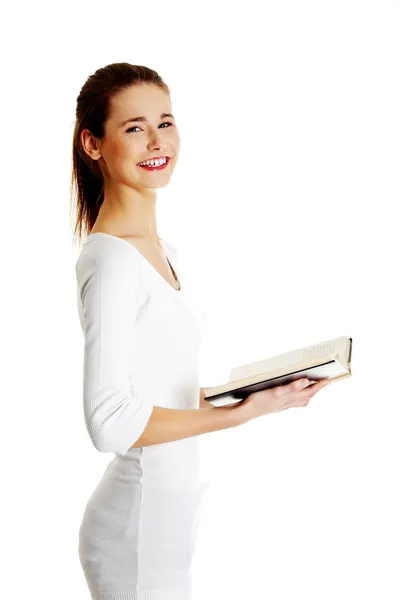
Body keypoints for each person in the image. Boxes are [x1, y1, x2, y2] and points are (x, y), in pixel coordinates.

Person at [71, 62, 330, 600]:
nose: (156, 140)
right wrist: (240, 415)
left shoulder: (166, 255)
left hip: (169, 511)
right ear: (93, 144)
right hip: (133, 524)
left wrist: (265, 394)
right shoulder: (112, 261)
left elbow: (159, 392)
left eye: (165, 122)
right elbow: (110, 423)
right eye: (134, 127)